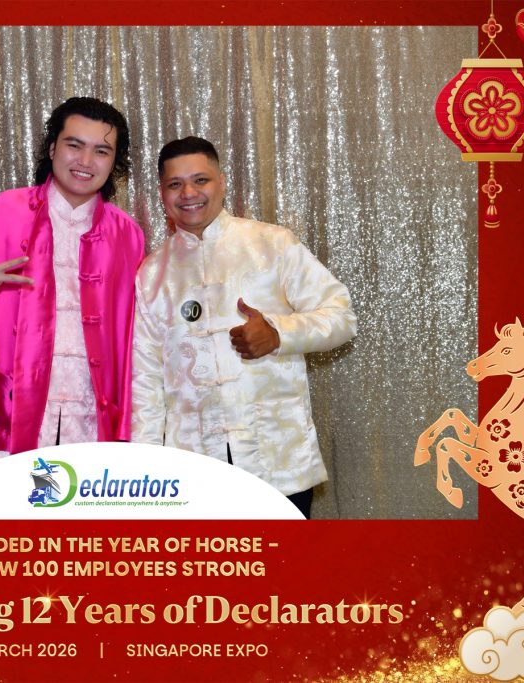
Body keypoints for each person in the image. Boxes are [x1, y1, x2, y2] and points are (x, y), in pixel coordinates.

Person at [0, 97, 144, 462]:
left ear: (115, 163)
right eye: (74, 145)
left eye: (101, 151)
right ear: (52, 148)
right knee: (17, 501)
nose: (85, 161)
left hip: (94, 421)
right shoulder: (1, 213)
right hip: (10, 415)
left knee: (83, 501)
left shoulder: (127, 235)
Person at [131, 137, 356, 518]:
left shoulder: (272, 244)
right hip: (193, 469)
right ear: (162, 193)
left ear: (221, 182)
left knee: (286, 558)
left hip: (276, 459)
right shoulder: (152, 273)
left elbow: (341, 316)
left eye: (200, 180)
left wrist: (279, 334)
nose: (189, 193)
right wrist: (149, 470)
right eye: (175, 184)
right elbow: (146, 380)